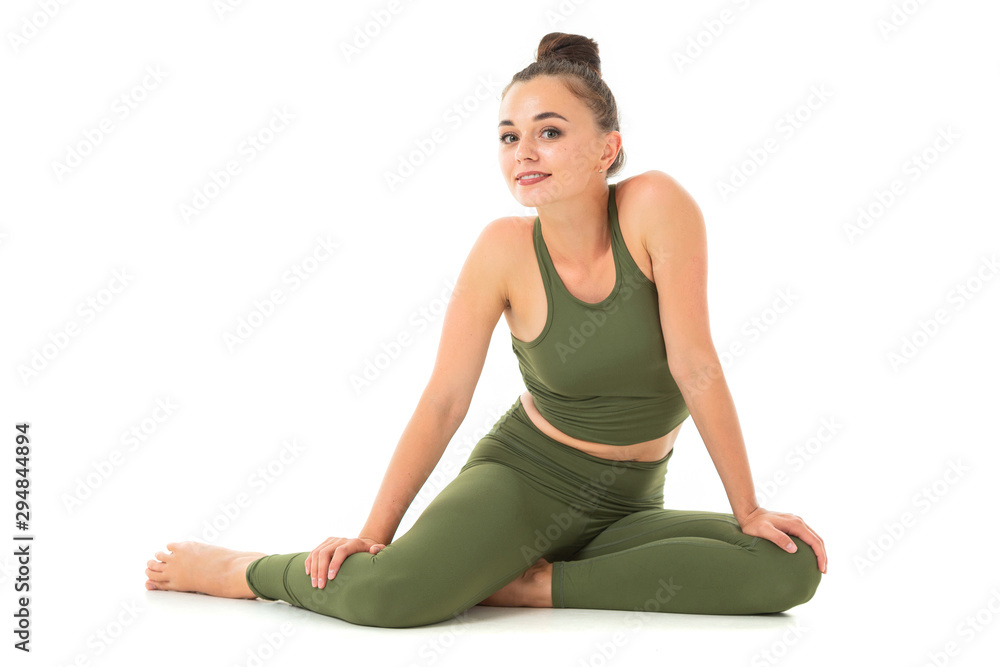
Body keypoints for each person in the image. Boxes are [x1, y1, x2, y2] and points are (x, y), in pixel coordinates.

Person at [144, 32, 827, 628]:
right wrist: (373, 536)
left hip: (632, 500)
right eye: (509, 135)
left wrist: (749, 507)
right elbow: (444, 400)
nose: (523, 151)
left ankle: (528, 584)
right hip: (526, 480)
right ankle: (244, 570)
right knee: (390, 596)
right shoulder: (502, 250)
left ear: (607, 147)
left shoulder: (656, 207)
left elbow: (694, 361)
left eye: (550, 131)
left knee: (787, 568)